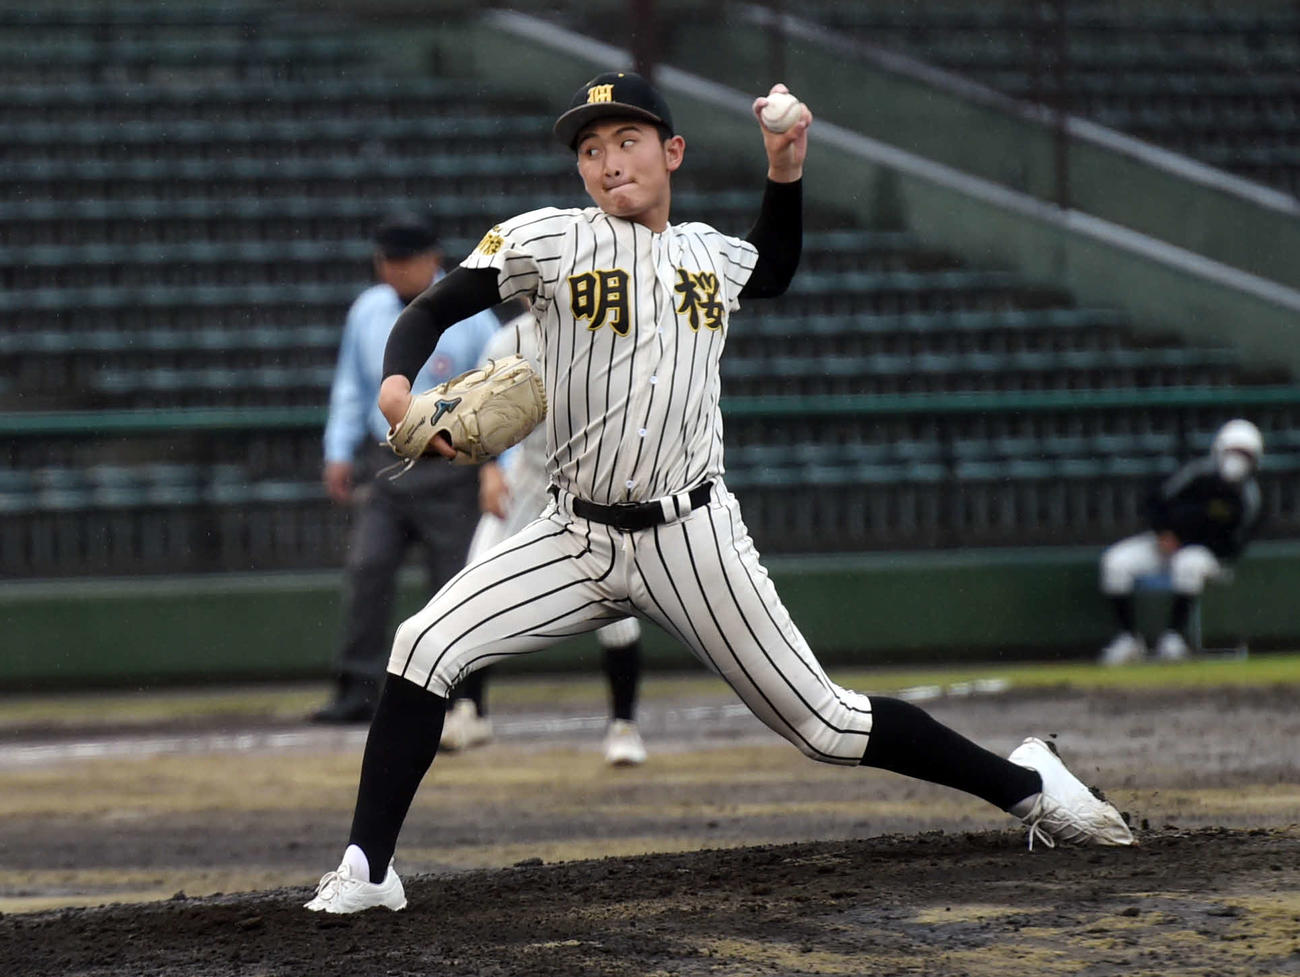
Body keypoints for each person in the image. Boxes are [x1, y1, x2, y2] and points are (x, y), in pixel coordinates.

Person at [305, 72, 1133, 914]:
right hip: (574, 534)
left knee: (828, 725)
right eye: (590, 150)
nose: (606, 161)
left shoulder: (709, 253)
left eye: (626, 141)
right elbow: (439, 305)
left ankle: (1031, 786)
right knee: (421, 645)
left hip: (690, 536)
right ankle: (370, 871)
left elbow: (771, 267)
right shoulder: (548, 241)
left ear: (672, 152)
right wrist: (397, 388)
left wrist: (785, 164)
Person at [311, 213, 503, 723]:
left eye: (404, 261)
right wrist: (338, 448)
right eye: (386, 261)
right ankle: (357, 688)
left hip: (452, 464)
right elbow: (352, 385)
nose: (394, 271)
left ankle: (461, 694)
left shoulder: (468, 312)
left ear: (432, 259)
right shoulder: (368, 310)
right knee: (368, 568)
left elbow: (499, 396)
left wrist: (493, 466)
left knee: (456, 582)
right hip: (388, 462)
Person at [438, 315, 648, 766]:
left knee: (614, 599)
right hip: (531, 473)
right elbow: (479, 412)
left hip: (594, 481)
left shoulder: (606, 328)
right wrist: (489, 467)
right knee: (476, 581)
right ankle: (471, 709)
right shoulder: (510, 336)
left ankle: (623, 724)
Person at [1098, 418, 1264, 666]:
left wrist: (1194, 541)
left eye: (1244, 454)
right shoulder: (1196, 475)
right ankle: (1128, 639)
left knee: (1189, 563)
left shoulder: (1249, 496)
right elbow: (1155, 502)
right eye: (1233, 452)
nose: (1236, 460)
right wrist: (1163, 532)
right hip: (1165, 544)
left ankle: (1173, 638)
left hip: (1207, 555)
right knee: (1116, 562)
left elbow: (1235, 543)